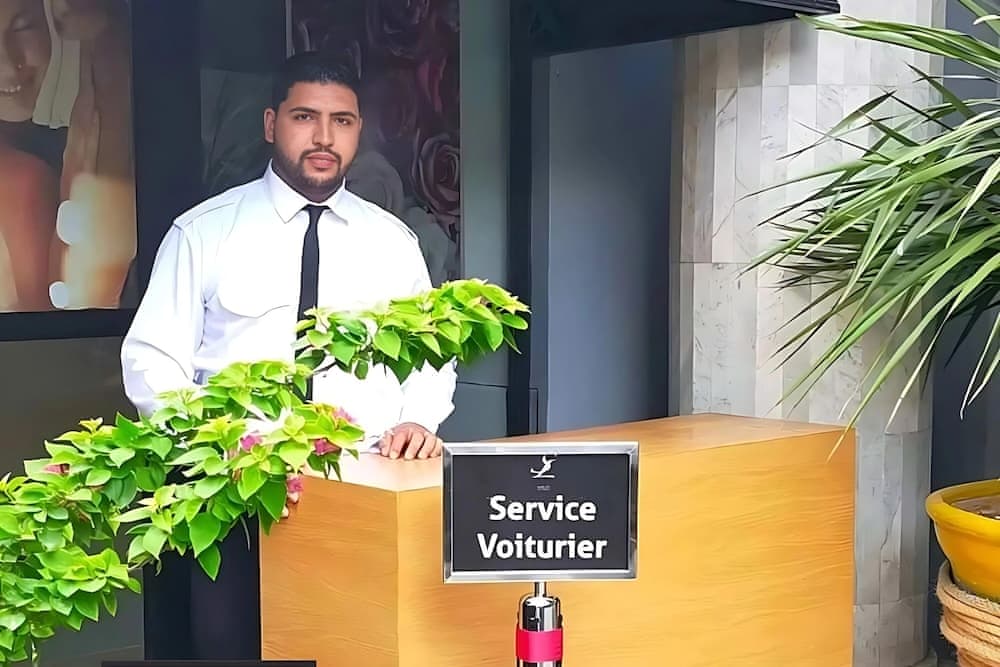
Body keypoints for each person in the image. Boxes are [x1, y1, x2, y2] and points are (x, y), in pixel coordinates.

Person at [120, 51, 458, 660]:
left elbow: (430, 355)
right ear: (271, 124)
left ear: (359, 131)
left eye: (342, 121)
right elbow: (152, 360)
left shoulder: (393, 243)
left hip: (360, 489)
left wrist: (419, 420)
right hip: (232, 491)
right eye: (306, 117)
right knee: (231, 647)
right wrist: (214, 442)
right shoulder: (204, 232)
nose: (324, 137)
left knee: (349, 645)